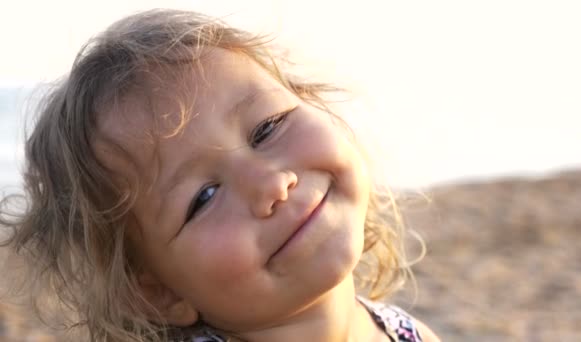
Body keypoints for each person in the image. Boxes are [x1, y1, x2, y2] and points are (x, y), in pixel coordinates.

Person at [0, 9, 440, 342]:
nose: (271, 184)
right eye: (204, 197)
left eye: (267, 128)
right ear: (157, 292)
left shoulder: (401, 329)